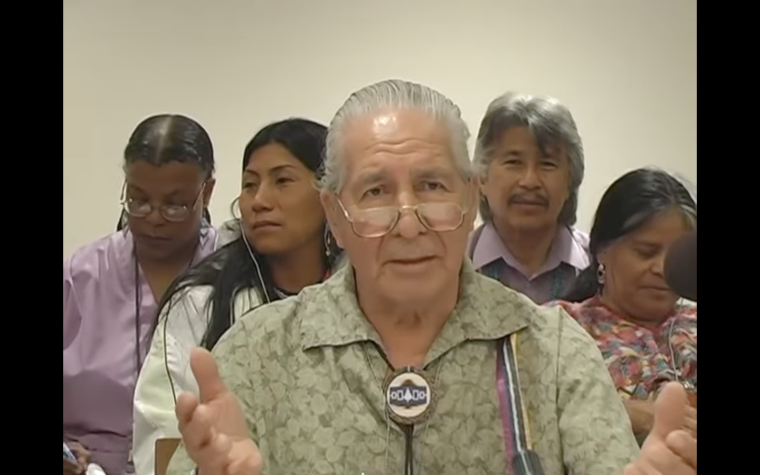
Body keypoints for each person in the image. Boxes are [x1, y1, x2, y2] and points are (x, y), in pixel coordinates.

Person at [165, 80, 697, 475]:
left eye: (432, 186)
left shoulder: (554, 352)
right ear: (334, 215)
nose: (408, 220)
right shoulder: (258, 354)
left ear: (470, 199)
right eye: (374, 192)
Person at [131, 118, 344, 475]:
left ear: (329, 196)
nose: (259, 201)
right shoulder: (199, 304)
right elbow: (161, 437)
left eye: (282, 181)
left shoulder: (362, 298)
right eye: (249, 184)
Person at [64, 114, 230, 475]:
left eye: (175, 204)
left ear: (208, 191)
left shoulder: (234, 275)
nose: (153, 218)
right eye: (138, 200)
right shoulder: (81, 276)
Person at [549, 168, 697, 444]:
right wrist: (627, 414)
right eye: (646, 252)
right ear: (602, 251)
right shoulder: (559, 328)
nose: (662, 269)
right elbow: (521, 415)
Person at [468, 93, 590, 303]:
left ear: (571, 181)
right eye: (514, 162)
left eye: (547, 164)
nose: (530, 181)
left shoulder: (599, 266)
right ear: (482, 178)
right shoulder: (452, 264)